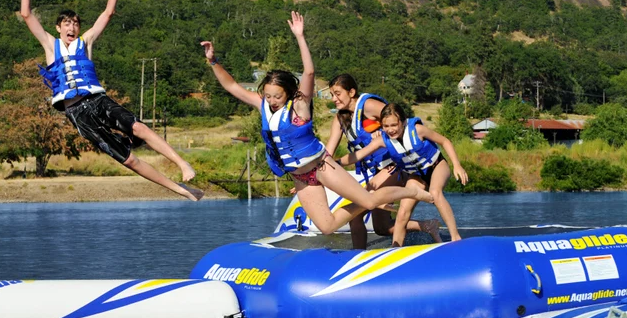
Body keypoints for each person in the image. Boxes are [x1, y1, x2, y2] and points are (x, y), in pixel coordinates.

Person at [200, 12, 433, 235]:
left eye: (277, 97)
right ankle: (373, 204)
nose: (271, 101)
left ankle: (411, 192)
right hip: (300, 177)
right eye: (268, 96)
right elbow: (231, 86)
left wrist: (300, 37)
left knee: (370, 199)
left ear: (289, 94)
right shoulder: (263, 105)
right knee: (328, 226)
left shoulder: (299, 107)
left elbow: (309, 72)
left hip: (321, 166)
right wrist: (214, 61)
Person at [18, 0, 203, 202]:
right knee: (128, 160)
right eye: (66, 23)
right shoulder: (51, 46)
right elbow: (27, 14)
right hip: (77, 113)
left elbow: (108, 12)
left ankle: (183, 164)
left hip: (97, 101)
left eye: (75, 23)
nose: (71, 27)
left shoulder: (87, 41)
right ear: (58, 28)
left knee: (139, 127)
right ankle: (182, 191)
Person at [325, 74, 442, 248]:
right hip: (375, 171)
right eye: (332, 95)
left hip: (393, 166)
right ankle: (427, 225)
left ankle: (358, 256)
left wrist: (382, 131)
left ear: (351, 92)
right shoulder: (340, 118)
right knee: (382, 227)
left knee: (355, 213)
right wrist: (312, 175)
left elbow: (399, 122)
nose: (334, 99)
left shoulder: (369, 105)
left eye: (337, 94)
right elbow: (328, 152)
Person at [338, 103, 468, 246]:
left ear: (403, 122)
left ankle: (455, 238)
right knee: (402, 213)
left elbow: (444, 141)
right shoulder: (383, 140)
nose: (390, 130)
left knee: (435, 192)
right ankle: (395, 249)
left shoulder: (417, 130)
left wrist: (457, 165)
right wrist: (335, 163)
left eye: (394, 125)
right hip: (417, 176)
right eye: (386, 126)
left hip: (436, 166)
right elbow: (358, 155)